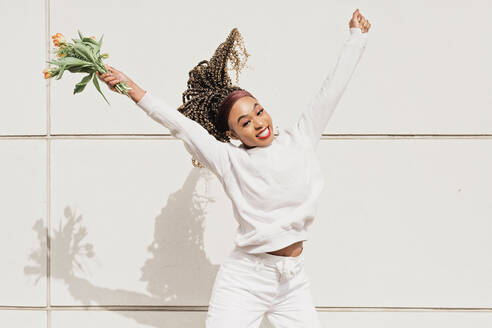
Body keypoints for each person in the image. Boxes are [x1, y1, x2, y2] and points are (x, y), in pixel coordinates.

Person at [97, 8, 371, 328]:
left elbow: (331, 91)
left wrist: (357, 38)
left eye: (259, 111)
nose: (258, 123)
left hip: (292, 282)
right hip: (246, 281)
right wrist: (131, 88)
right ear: (232, 134)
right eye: (245, 122)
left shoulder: (301, 138)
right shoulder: (230, 161)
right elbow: (179, 126)